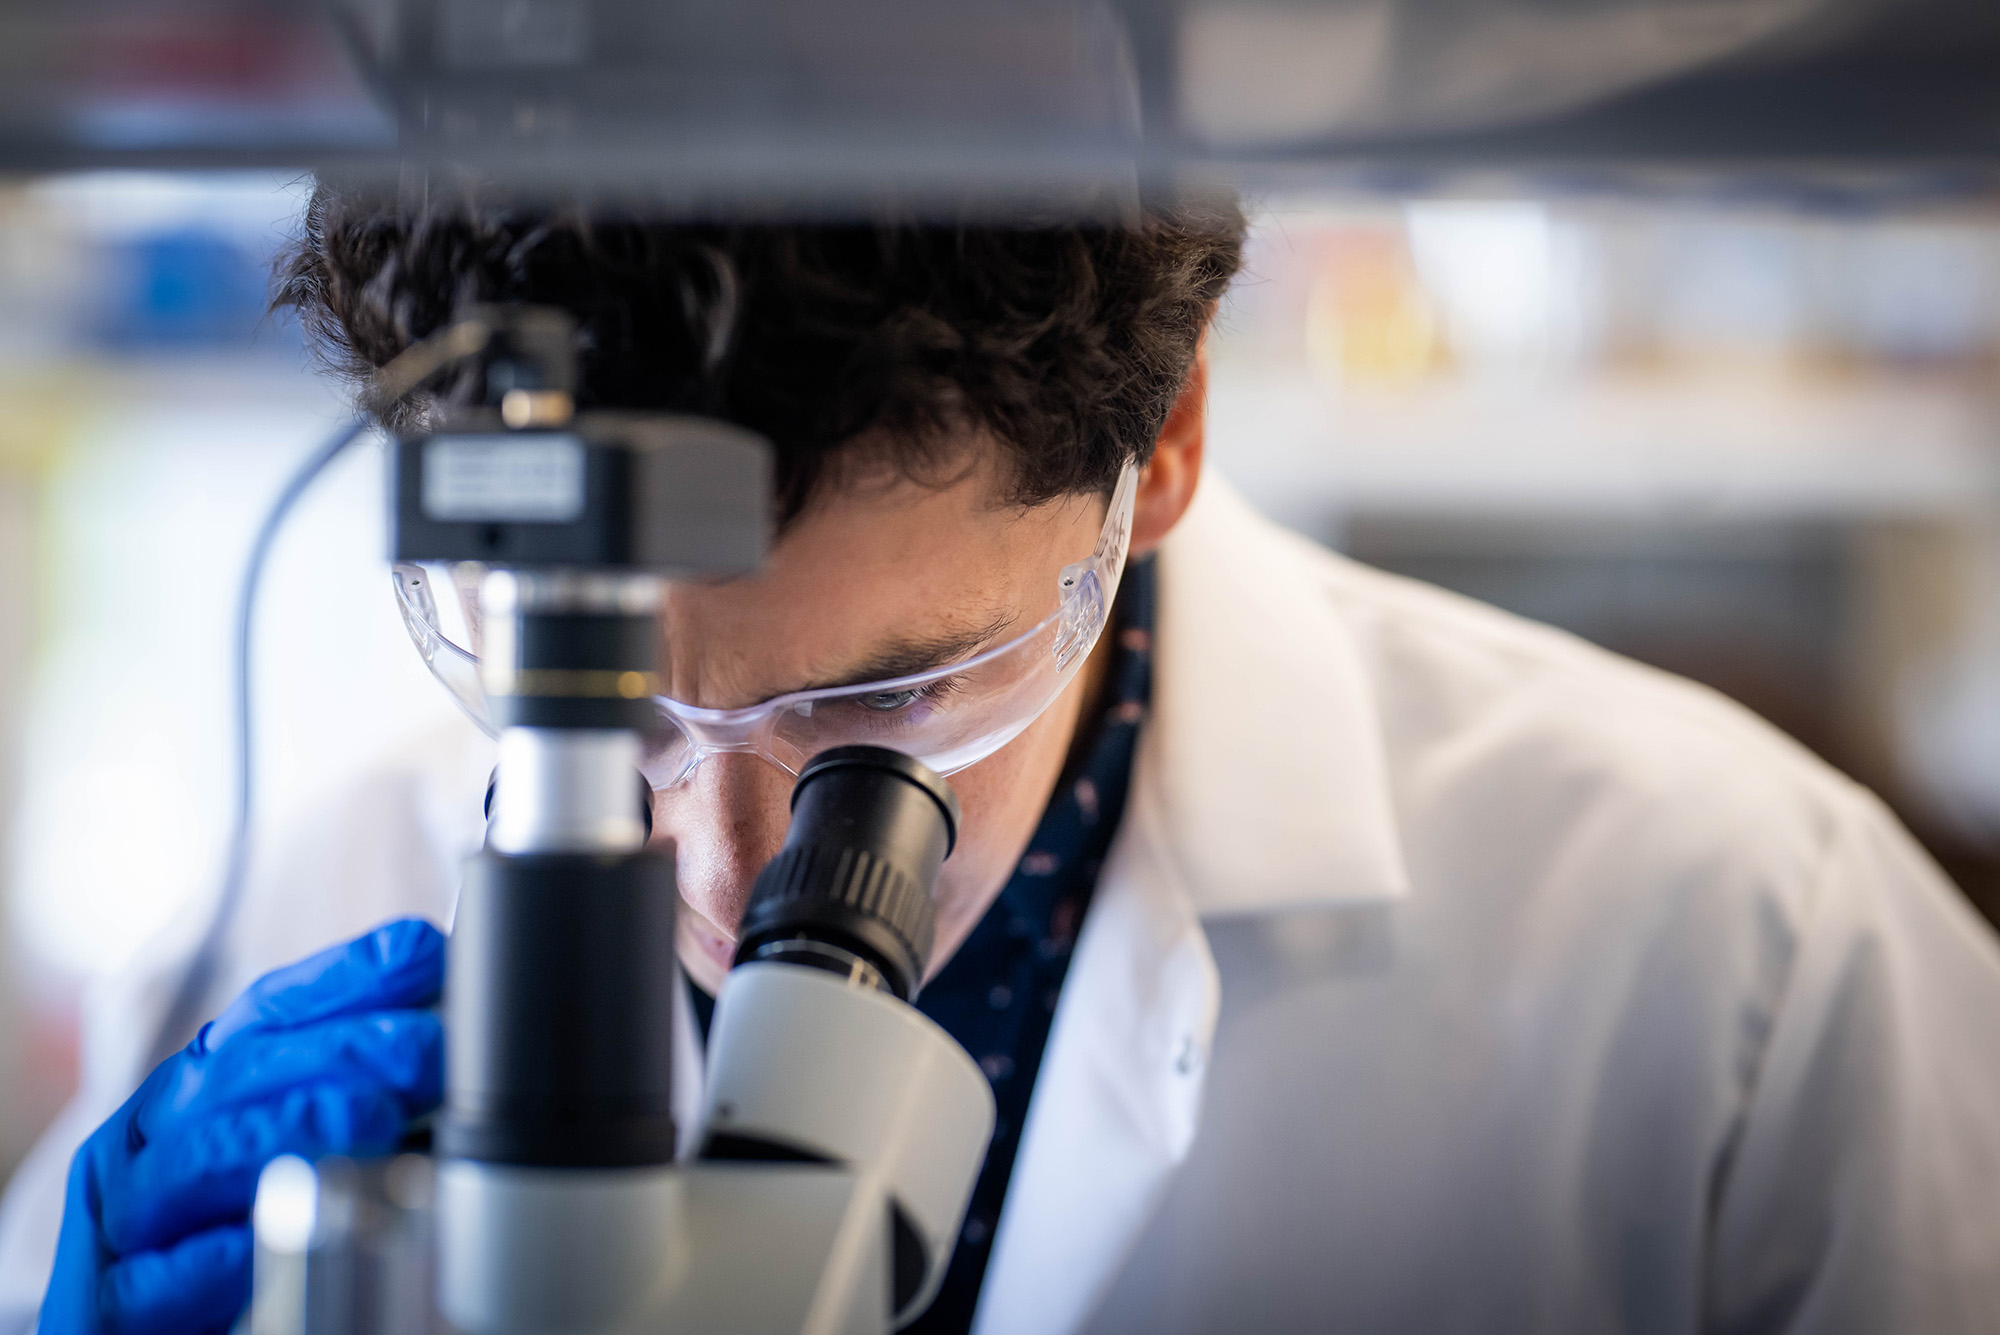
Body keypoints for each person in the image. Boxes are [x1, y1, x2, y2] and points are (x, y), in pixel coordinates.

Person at [6, 179, 2000, 1335]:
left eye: (879, 709)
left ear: (1170, 443)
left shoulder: (1744, 963)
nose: (714, 854)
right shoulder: (294, 908)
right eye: (594, 691)